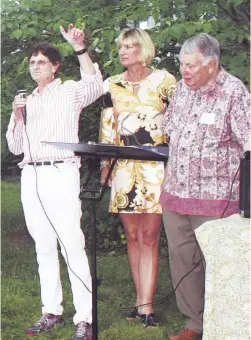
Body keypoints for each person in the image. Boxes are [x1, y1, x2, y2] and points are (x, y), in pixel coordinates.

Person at [6, 24, 103, 340]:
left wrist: (79, 48)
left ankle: (85, 319)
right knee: (43, 247)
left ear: (55, 66)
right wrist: (18, 118)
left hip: (61, 173)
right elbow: (15, 147)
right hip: (31, 175)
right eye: (32, 62)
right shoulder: (25, 101)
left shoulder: (69, 91)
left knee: (71, 245)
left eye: (42, 62)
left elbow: (95, 84)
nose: (36, 66)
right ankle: (51, 311)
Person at [160, 33, 250, 340]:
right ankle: (194, 326)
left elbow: (248, 142)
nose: (184, 71)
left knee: (225, 267)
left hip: (217, 200)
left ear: (212, 64)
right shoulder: (181, 89)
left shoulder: (233, 92)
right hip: (176, 194)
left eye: (191, 66)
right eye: (182, 64)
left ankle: (227, 328)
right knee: (183, 263)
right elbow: (169, 125)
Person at [99, 27, 176, 328]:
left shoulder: (165, 81)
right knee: (132, 237)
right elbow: (107, 129)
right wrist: (105, 166)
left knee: (150, 237)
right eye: (121, 46)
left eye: (130, 46)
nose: (124, 51)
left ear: (143, 49)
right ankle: (139, 302)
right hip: (124, 169)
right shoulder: (112, 84)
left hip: (156, 169)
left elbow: (178, 120)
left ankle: (148, 306)